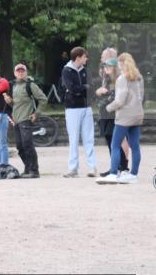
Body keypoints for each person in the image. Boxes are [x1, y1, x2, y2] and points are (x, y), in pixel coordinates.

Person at [97, 53, 145, 184]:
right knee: (135, 146)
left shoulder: (122, 79)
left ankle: (113, 173)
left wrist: (108, 108)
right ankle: (133, 174)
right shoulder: (139, 77)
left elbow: (119, 101)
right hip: (137, 114)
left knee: (115, 145)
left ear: (122, 64)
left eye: (119, 64)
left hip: (124, 116)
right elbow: (142, 96)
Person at [5, 63, 47, 178]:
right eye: (18, 71)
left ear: (26, 72)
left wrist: (36, 114)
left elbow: (43, 99)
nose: (20, 73)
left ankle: (34, 171)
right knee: (20, 146)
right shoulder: (13, 85)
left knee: (27, 144)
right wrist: (9, 101)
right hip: (16, 120)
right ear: (15, 73)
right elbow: (16, 104)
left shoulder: (31, 85)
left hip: (26, 119)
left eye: (22, 71)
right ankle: (28, 168)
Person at [61, 46, 97, 178]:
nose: (86, 58)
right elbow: (71, 88)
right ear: (78, 58)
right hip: (72, 109)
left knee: (89, 138)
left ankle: (92, 167)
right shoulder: (66, 71)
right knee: (74, 138)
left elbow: (91, 88)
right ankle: (73, 169)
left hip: (86, 107)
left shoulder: (86, 71)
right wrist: (84, 88)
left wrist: (83, 89)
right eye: (84, 56)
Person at [95, 49, 129, 178]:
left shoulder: (118, 80)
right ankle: (116, 167)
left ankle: (122, 167)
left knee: (115, 142)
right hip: (105, 114)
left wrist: (104, 93)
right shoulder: (106, 79)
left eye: (108, 66)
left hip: (113, 114)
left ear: (114, 68)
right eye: (105, 66)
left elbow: (117, 97)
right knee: (110, 141)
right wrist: (100, 93)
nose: (105, 68)